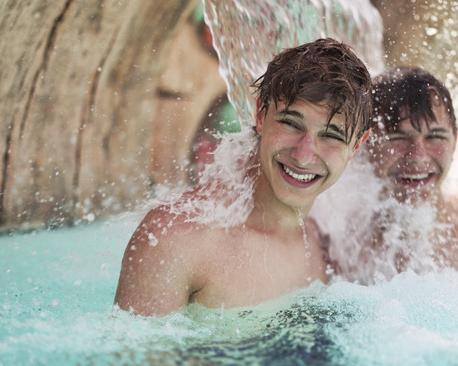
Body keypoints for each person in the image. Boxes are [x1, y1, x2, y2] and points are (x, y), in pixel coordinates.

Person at [114, 38, 372, 316]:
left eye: (331, 135)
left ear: (356, 146)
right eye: (290, 123)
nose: (304, 154)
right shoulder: (176, 238)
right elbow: (136, 358)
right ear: (260, 114)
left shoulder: (327, 246)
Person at [345, 66, 458, 278]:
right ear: (363, 145)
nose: (417, 156)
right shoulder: (346, 243)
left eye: (435, 137)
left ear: (454, 142)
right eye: (397, 138)